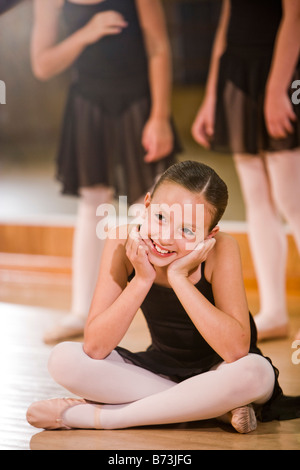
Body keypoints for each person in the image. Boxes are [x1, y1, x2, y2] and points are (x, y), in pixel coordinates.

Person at [26, 161, 300, 434]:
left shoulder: (222, 249)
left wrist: (179, 279)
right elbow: (96, 346)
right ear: (146, 205)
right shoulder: (121, 241)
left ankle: (101, 418)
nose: (166, 237)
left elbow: (235, 351)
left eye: (188, 230)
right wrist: (142, 279)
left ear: (209, 234)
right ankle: (212, 408)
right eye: (160, 217)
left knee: (255, 373)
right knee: (63, 359)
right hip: (160, 370)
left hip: (224, 372)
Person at [31, 0, 180, 343]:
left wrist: (159, 116)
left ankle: (169, 320)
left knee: (149, 209)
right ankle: (82, 311)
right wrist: (86, 33)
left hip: (138, 101)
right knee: (91, 204)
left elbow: (158, 47)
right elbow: (43, 64)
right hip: (87, 104)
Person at [192, 0, 300, 341]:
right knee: (257, 198)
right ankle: (274, 310)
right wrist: (212, 96)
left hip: (282, 69)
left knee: (291, 199)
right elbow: (228, 20)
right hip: (237, 72)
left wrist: (276, 90)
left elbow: (295, 15)